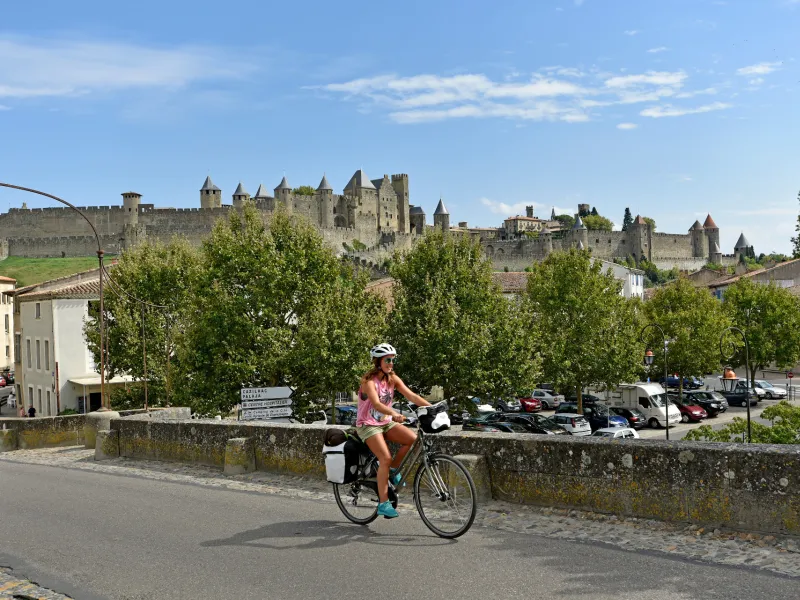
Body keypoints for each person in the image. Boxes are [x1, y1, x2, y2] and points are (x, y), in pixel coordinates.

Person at [356, 343, 430, 519]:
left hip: (385, 423)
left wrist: (433, 407)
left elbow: (412, 396)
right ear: (378, 362)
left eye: (392, 360)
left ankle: (392, 471)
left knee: (411, 439)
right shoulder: (368, 382)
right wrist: (394, 413)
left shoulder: (392, 379)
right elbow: (376, 404)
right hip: (368, 424)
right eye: (387, 360)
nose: (391, 364)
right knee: (385, 458)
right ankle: (383, 503)